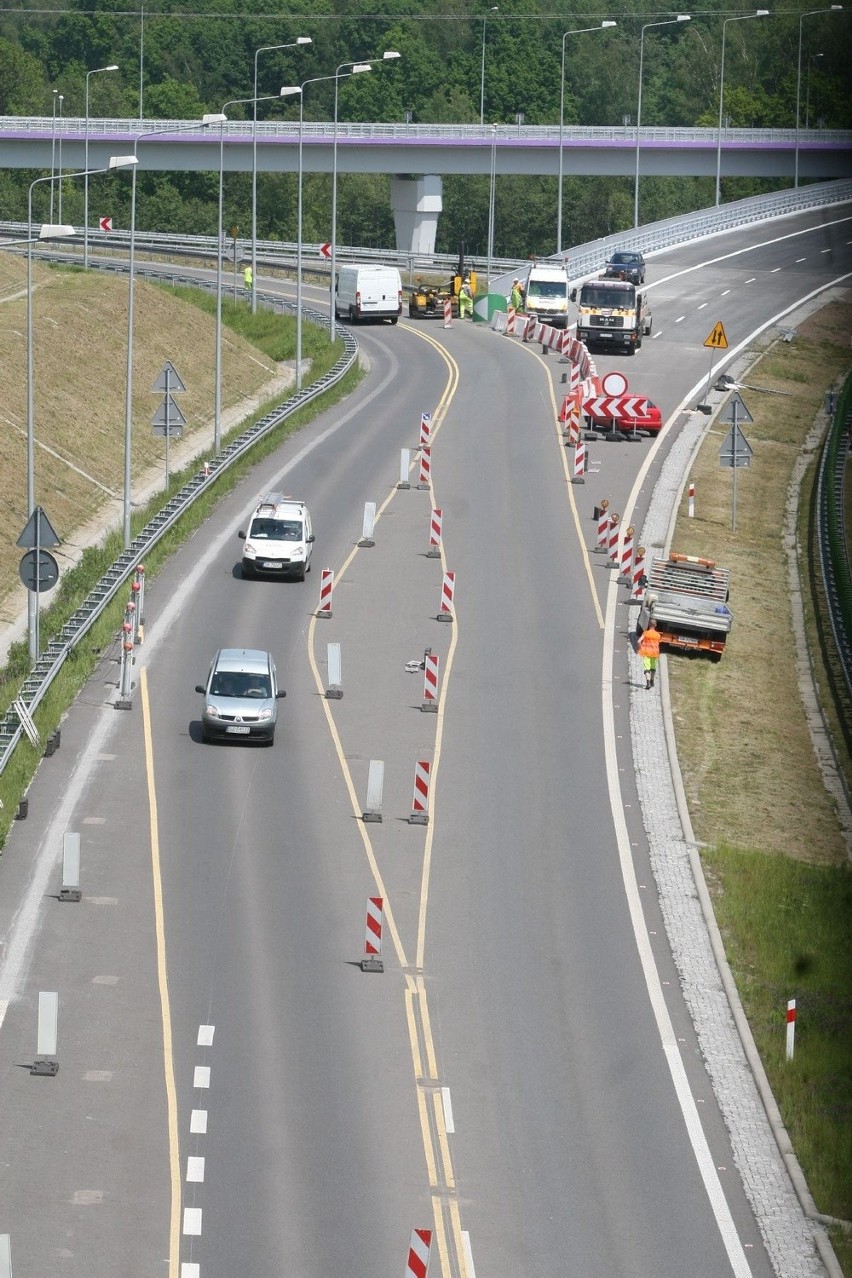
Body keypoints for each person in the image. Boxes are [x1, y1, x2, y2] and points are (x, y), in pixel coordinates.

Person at [638, 622, 662, 689]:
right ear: (656, 625)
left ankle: (648, 682)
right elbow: (658, 644)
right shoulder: (658, 635)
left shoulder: (645, 633)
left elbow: (638, 641)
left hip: (646, 653)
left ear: (649, 625)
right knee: (653, 668)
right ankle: (652, 680)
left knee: (647, 669)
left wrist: (640, 648)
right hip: (654, 653)